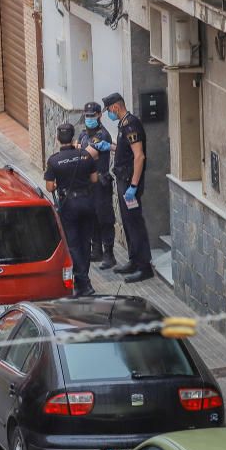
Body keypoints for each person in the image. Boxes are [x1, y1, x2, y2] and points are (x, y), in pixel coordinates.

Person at [103, 92, 154, 283]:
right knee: (127, 222)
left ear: (115, 107)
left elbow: (139, 156)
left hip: (130, 182)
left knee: (135, 223)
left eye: (109, 110)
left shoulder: (131, 124)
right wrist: (110, 146)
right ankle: (134, 260)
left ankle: (144, 266)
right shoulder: (123, 124)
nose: (109, 113)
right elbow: (125, 149)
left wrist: (133, 185)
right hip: (124, 180)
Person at [45, 123, 98, 297]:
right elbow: (95, 178)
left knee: (73, 245)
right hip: (88, 202)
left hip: (69, 206)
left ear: (58, 139)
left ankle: (84, 282)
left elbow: (50, 187)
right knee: (85, 243)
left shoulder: (54, 160)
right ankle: (84, 280)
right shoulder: (85, 155)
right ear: (74, 138)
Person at [77, 101, 116, 270]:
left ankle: (109, 254)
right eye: (87, 116)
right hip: (87, 183)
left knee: (104, 218)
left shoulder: (103, 135)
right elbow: (81, 152)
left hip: (100, 182)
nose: (89, 119)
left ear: (100, 115)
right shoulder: (83, 134)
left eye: (92, 116)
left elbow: (86, 155)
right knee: (91, 216)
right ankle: (96, 249)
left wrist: (80, 151)